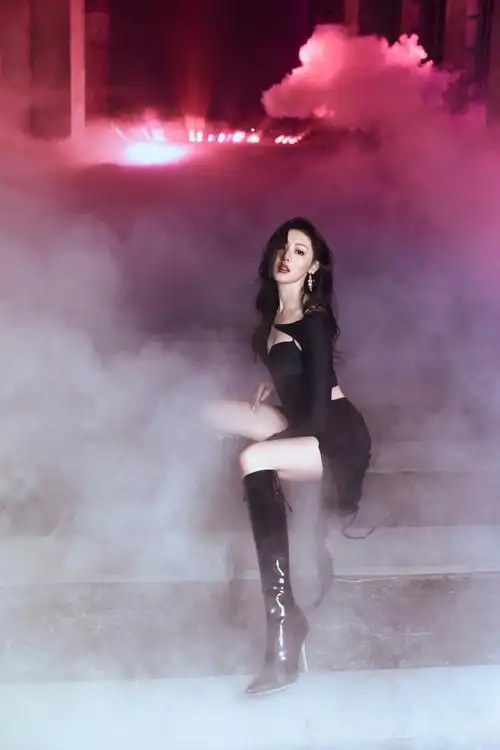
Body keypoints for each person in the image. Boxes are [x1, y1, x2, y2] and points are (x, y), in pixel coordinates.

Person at [203, 217, 371, 696]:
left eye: (299, 251)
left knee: (253, 460)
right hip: (306, 424)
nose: (287, 256)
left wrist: (267, 445)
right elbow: (297, 379)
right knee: (212, 414)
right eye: (283, 246)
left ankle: (283, 620)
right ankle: (242, 528)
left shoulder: (314, 322)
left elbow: (317, 415)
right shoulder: (272, 320)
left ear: (312, 267)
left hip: (337, 437)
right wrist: (272, 385)